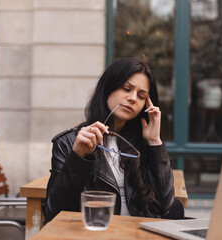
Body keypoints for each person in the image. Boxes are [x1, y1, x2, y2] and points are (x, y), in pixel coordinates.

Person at [42, 57, 184, 223]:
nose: (132, 98)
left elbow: (163, 208)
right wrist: (78, 157)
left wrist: (154, 142)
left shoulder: (142, 145)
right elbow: (53, 213)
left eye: (141, 96)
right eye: (126, 88)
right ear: (108, 87)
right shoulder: (69, 143)